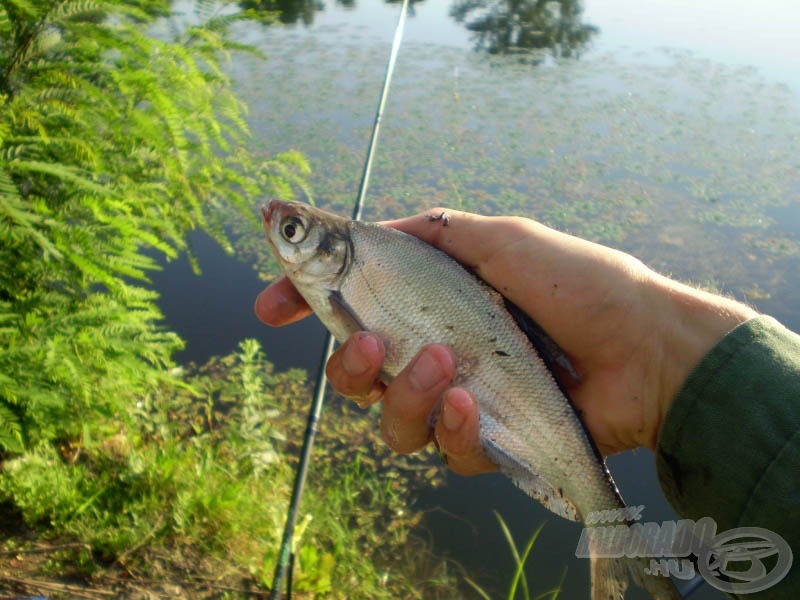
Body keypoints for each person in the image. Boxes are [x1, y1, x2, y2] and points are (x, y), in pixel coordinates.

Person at [255, 208, 799, 597]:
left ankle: (608, 526)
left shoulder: (366, 257)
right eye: (290, 229)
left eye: (292, 230)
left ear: (330, 251)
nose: (281, 234)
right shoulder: (369, 255)